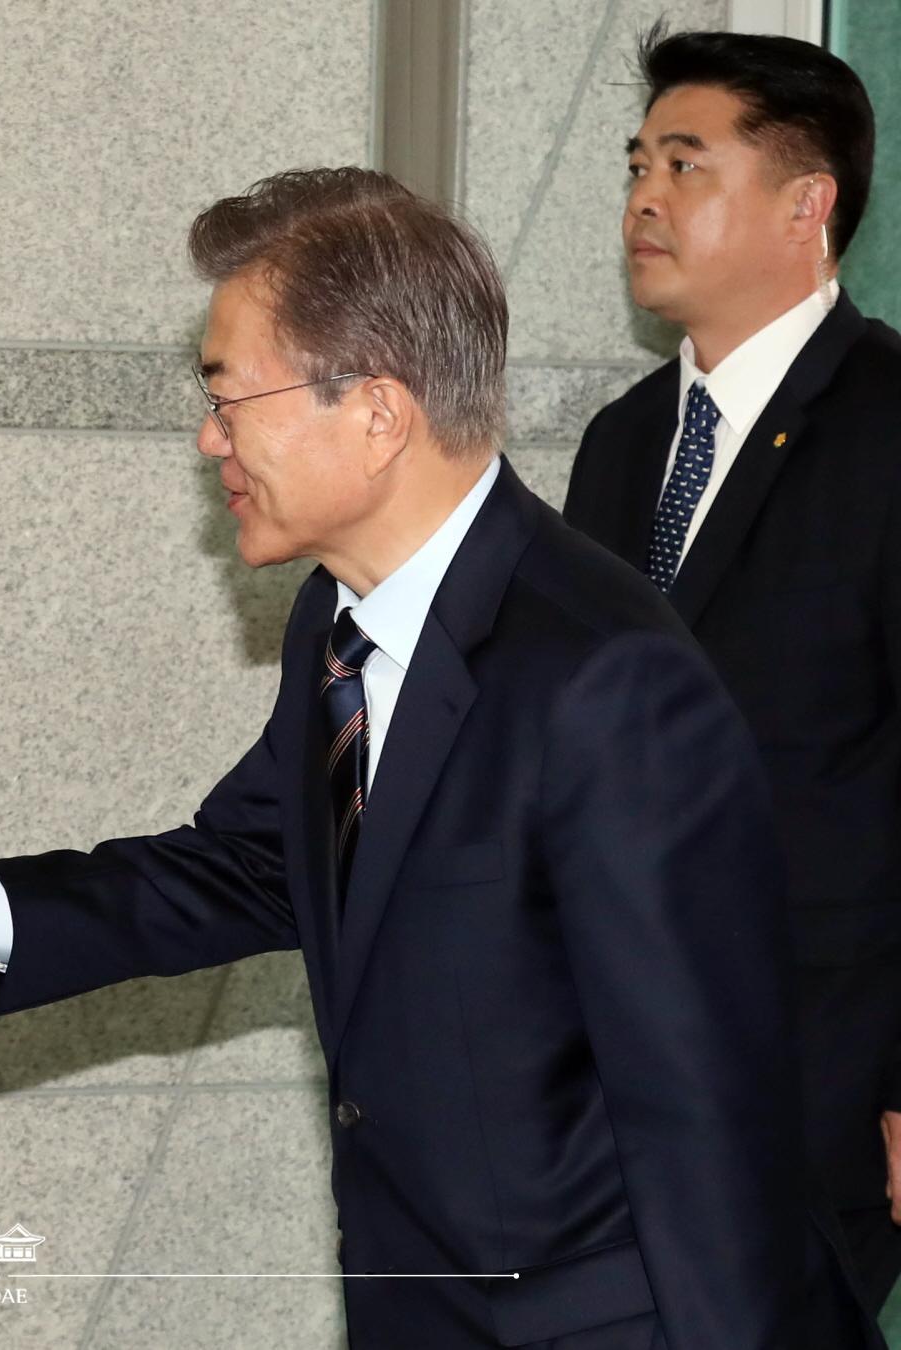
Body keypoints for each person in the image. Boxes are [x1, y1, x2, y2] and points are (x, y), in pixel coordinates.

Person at [0, 166, 866, 1347]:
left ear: (377, 413)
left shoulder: (604, 678)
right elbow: (258, 864)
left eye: (230, 396)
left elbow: (707, 1112)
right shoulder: (339, 620)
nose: (208, 435)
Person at [561, 27, 901, 1325]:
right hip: (606, 1078)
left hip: (814, 1079)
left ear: (807, 204)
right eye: (638, 163)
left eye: (687, 166)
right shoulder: (624, 443)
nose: (644, 197)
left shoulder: (887, 422)